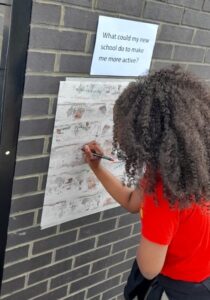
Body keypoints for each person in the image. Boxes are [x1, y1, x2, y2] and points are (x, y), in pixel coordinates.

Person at [82, 65, 210, 299]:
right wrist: (97, 168)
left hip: (183, 288)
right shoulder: (193, 166)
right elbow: (132, 201)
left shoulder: (163, 193)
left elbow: (149, 268)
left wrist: (152, 230)